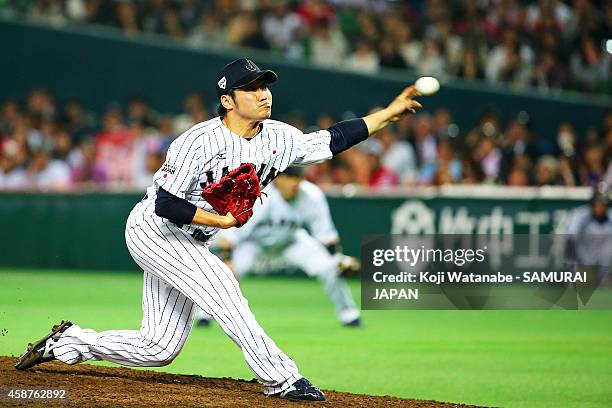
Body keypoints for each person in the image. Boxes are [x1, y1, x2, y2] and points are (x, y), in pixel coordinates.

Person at [15, 57, 422, 401]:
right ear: (227, 101)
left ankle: (68, 343)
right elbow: (167, 203)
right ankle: (281, 379)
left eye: (265, 86)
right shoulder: (198, 142)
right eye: (252, 89)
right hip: (155, 231)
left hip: (190, 239)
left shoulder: (279, 136)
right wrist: (222, 221)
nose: (264, 94)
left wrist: (388, 113)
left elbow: (334, 139)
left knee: (158, 347)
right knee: (225, 290)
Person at [196, 167, 361, 328]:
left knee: (330, 268)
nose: (295, 182)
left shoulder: (311, 195)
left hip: (291, 241)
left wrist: (337, 259)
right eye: (291, 177)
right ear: (279, 179)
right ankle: (204, 316)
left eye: (299, 178)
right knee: (226, 273)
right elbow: (231, 235)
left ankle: (350, 316)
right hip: (254, 243)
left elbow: (326, 235)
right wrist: (227, 259)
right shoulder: (258, 195)